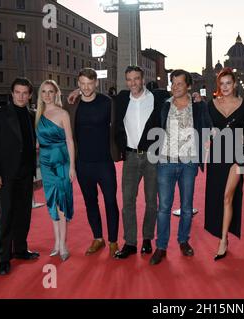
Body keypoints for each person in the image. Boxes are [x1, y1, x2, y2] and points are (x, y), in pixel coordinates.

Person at [149, 69, 212, 265]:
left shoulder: (199, 106)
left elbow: (208, 126)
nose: (175, 87)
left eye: (179, 83)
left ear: (188, 85)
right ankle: (161, 246)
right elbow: (136, 91)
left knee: (186, 207)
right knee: (164, 208)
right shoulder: (163, 104)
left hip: (189, 162)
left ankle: (183, 241)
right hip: (165, 162)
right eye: (173, 83)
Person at [0, 78, 39, 276]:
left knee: (24, 214)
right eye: (18, 92)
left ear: (30, 95)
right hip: (6, 175)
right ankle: (4, 258)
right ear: (12, 93)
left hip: (26, 174)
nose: (21, 96)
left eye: (25, 93)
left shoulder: (32, 115)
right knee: (6, 216)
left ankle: (21, 250)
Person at [113, 66, 169, 259]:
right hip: (130, 157)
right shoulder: (121, 99)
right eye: (129, 79)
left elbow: (180, 93)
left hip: (152, 156)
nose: (133, 83)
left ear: (143, 79)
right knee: (128, 201)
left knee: (151, 201)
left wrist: (196, 99)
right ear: (126, 81)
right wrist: (79, 90)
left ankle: (147, 239)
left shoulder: (157, 98)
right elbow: (97, 97)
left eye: (136, 79)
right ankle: (130, 242)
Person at [66, 68, 121, 258]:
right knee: (90, 202)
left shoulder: (108, 102)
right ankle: (98, 238)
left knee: (110, 202)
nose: (86, 87)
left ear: (96, 83)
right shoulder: (73, 104)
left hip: (105, 163)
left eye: (90, 83)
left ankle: (113, 241)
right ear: (78, 84)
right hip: (83, 164)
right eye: (82, 84)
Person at [204, 68, 244, 261]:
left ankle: (223, 240)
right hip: (217, 155)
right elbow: (204, 128)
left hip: (238, 154)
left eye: (228, 83)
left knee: (227, 196)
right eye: (222, 84)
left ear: (235, 84)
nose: (225, 87)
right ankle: (223, 237)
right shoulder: (210, 105)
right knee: (217, 197)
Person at [35, 80, 75, 262]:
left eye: (51, 91)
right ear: (40, 94)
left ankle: (63, 244)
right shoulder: (38, 114)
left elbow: (69, 141)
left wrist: (72, 166)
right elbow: (38, 142)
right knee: (51, 200)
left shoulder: (63, 114)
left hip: (61, 161)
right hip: (45, 161)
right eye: (44, 91)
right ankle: (57, 242)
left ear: (56, 93)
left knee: (62, 202)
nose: (47, 95)